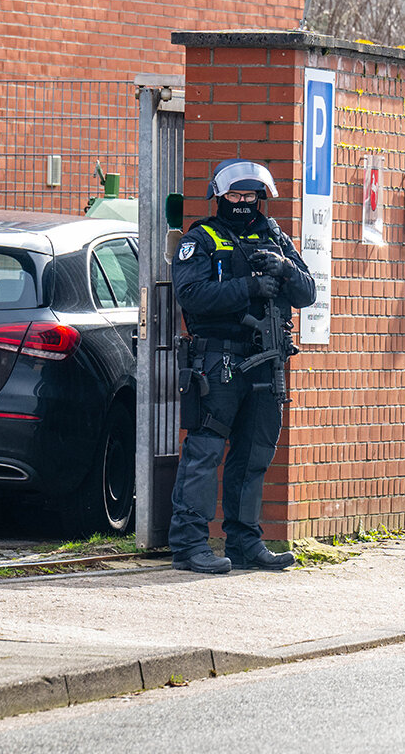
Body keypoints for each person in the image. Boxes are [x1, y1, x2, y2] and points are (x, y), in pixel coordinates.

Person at [169, 159, 316, 574]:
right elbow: (192, 294)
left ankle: (246, 542)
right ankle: (189, 545)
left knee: (254, 454)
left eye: (249, 196)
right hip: (219, 360)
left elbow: (308, 293)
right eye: (234, 196)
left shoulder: (274, 236)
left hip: (268, 362)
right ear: (219, 196)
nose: (242, 203)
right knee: (205, 450)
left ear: (260, 198)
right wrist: (247, 286)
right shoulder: (201, 239)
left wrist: (285, 269)